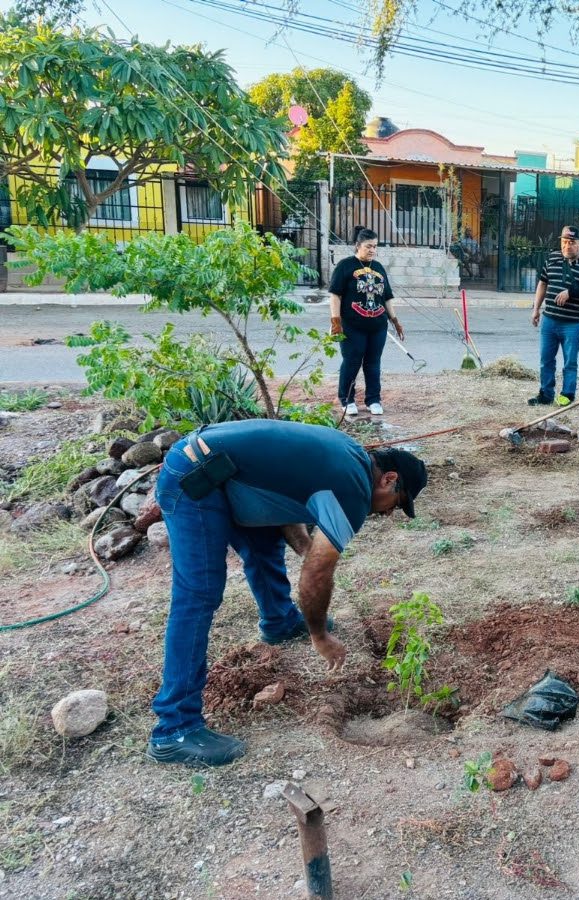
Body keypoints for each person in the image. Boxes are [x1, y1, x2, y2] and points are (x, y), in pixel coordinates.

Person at [147, 419, 428, 766]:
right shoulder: (354, 489)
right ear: (389, 479)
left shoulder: (350, 456)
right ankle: (174, 729)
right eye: (396, 503)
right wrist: (319, 634)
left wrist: (306, 546)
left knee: (264, 546)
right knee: (199, 593)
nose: (388, 513)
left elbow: (284, 495)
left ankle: (280, 622)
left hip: (224, 471)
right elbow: (317, 574)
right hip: (197, 477)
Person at [329, 228, 405, 417]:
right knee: (352, 362)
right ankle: (347, 399)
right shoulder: (345, 266)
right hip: (352, 326)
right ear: (358, 246)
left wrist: (395, 321)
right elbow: (335, 295)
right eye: (368, 246)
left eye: (375, 246)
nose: (372, 250)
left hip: (378, 326)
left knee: (373, 363)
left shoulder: (378, 267)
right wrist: (336, 321)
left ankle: (373, 399)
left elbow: (387, 297)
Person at [529, 225, 579, 406]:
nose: (567, 246)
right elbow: (542, 283)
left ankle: (567, 395)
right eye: (564, 242)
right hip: (550, 319)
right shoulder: (552, 258)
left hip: (573, 323)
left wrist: (571, 292)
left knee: (570, 362)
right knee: (546, 359)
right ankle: (545, 394)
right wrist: (536, 308)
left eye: (571, 242)